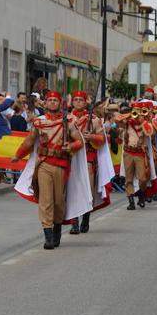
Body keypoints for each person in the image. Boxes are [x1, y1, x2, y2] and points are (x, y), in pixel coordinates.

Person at [11, 91, 85, 250]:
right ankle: (48, 236)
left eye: (55, 100)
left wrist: (71, 146)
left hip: (61, 165)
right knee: (45, 200)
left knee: (58, 201)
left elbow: (80, 142)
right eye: (49, 100)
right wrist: (18, 155)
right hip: (43, 164)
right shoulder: (39, 122)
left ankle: (57, 229)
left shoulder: (69, 121)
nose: (52, 103)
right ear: (45, 103)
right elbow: (29, 142)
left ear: (60, 103)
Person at [67, 91, 107, 234]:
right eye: (75, 100)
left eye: (81, 100)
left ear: (85, 102)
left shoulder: (94, 119)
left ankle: (86, 218)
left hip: (88, 158)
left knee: (88, 189)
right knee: (71, 190)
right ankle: (74, 222)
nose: (78, 102)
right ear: (72, 102)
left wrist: (91, 136)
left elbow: (102, 139)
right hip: (71, 156)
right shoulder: (66, 118)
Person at [116, 101, 154, 210]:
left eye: (139, 111)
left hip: (139, 153)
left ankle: (141, 194)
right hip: (128, 152)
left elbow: (151, 132)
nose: (137, 113)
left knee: (142, 178)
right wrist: (130, 114)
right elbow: (117, 119)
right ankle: (131, 201)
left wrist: (143, 121)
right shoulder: (127, 122)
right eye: (135, 111)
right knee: (129, 178)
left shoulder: (146, 123)